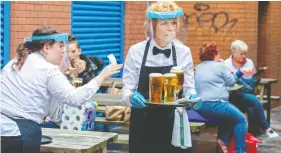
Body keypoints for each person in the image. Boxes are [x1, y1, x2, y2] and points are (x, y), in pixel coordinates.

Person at [0, 25, 122, 153]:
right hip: (18, 135)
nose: (64, 51)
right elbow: (75, 98)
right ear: (47, 47)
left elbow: (52, 111)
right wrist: (102, 76)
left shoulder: (16, 61)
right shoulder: (48, 69)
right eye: (60, 46)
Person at [121, 2, 200, 153]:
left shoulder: (184, 52)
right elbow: (126, 89)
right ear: (152, 25)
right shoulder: (136, 51)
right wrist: (130, 96)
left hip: (174, 122)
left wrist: (193, 97)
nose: (171, 28)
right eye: (164, 23)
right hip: (143, 122)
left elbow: (189, 87)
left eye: (174, 23)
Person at [195, 42, 249, 153]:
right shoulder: (220, 66)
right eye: (218, 53)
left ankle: (223, 142)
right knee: (241, 120)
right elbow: (231, 82)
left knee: (227, 118)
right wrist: (240, 72)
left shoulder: (199, 67)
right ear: (214, 54)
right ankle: (240, 151)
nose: (220, 55)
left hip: (200, 107)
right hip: (216, 105)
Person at [41, 34, 104, 128]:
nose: (71, 56)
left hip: (84, 109)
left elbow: (94, 92)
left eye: (74, 51)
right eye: (68, 52)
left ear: (79, 51)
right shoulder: (61, 67)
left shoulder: (89, 67)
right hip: (63, 112)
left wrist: (83, 73)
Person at [224, 40, 279, 138]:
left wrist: (256, 78)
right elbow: (228, 83)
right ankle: (266, 127)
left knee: (252, 109)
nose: (244, 56)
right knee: (254, 100)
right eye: (241, 54)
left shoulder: (249, 62)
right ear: (233, 53)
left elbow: (251, 80)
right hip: (233, 96)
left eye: (245, 53)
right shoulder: (226, 64)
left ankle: (251, 137)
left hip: (246, 94)